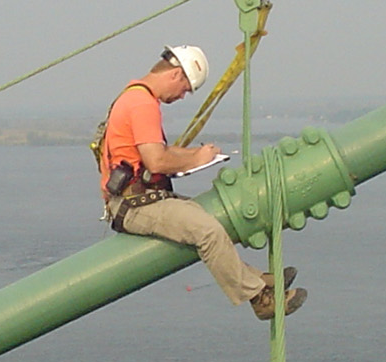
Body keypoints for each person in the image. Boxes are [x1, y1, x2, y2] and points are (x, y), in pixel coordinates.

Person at [99, 45, 306, 320]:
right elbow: (157, 161)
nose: (183, 95)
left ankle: (259, 279)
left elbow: (155, 154)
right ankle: (260, 298)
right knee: (206, 231)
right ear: (176, 75)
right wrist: (196, 160)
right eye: (186, 88)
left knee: (207, 220)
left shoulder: (133, 97)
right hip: (134, 206)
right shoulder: (142, 104)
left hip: (136, 200)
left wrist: (198, 155)